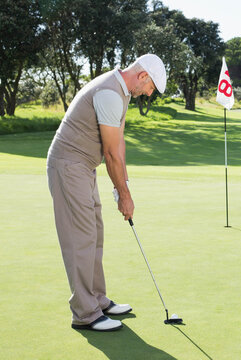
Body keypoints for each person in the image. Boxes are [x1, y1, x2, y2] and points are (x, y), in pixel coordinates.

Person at [47, 54, 167, 331]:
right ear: (142, 76)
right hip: (68, 166)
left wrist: (122, 184)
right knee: (81, 238)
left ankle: (97, 300)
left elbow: (118, 143)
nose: (149, 94)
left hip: (83, 167)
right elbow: (111, 153)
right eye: (151, 88)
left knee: (95, 233)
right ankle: (85, 314)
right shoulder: (110, 93)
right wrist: (124, 196)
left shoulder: (120, 92)